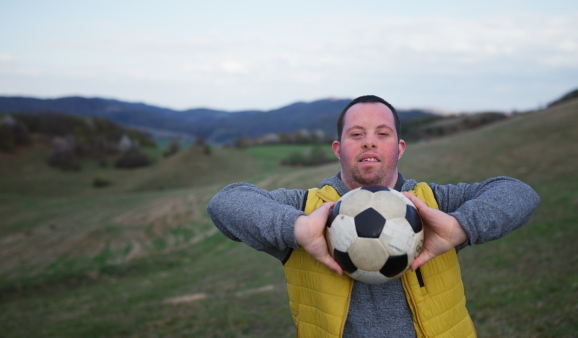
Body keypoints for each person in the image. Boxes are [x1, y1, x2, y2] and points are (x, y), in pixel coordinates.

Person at [207, 95, 540, 337]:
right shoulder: (309, 209)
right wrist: (296, 229)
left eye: (383, 133)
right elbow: (226, 202)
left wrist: (461, 226)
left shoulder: (432, 204)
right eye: (356, 134)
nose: (369, 143)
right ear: (339, 149)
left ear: (399, 147)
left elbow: (519, 192)